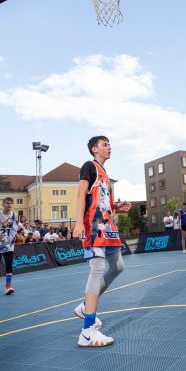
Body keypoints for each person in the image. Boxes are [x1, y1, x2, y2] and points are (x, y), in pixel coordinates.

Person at [72, 136, 132, 347]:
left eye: (109, 144)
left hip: (107, 227)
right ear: (94, 149)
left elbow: (102, 201)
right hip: (93, 227)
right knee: (97, 270)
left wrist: (117, 207)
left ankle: (84, 306)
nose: (109, 147)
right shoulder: (89, 167)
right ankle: (88, 331)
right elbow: (81, 195)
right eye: (105, 144)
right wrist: (79, 222)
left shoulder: (105, 175)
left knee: (117, 266)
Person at [0, 197, 18, 294]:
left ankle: (8, 286)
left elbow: (14, 228)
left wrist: (13, 237)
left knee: (9, 262)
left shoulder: (14, 215)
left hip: (8, 243)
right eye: (7, 203)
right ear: (3, 205)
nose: (9, 205)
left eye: (11, 203)